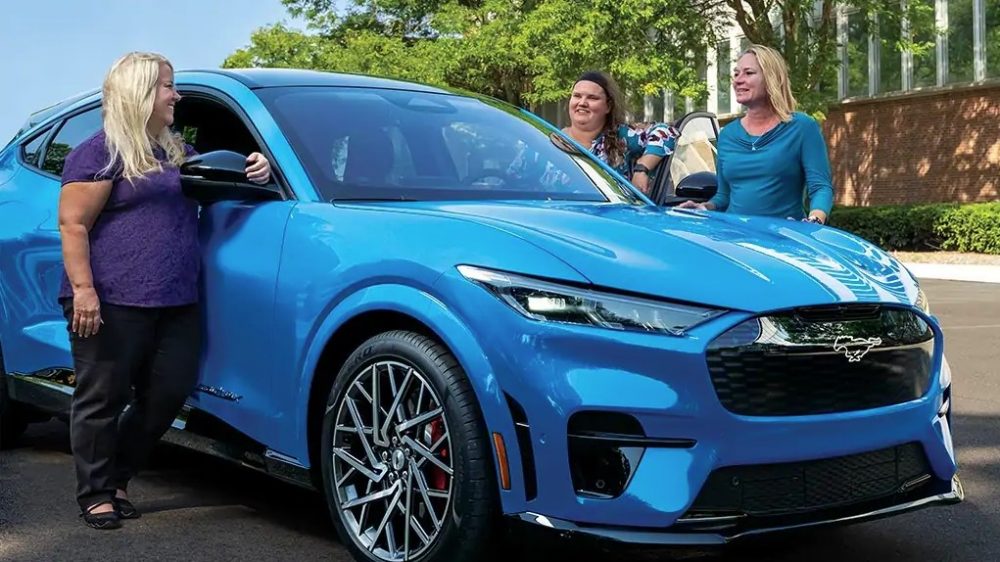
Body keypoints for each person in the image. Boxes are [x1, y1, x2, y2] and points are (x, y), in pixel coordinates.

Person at [57, 51, 271, 530]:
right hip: (109, 297)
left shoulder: (177, 152)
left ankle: (118, 478)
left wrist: (255, 168)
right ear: (140, 92)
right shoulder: (98, 151)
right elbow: (73, 225)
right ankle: (96, 493)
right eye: (167, 87)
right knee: (102, 398)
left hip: (175, 299)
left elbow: (225, 179)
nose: (176, 95)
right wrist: (84, 291)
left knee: (168, 394)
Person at [679, 45, 834, 223]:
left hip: (782, 239)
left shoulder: (802, 127)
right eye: (736, 74)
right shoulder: (728, 134)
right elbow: (723, 196)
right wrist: (704, 207)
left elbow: (821, 187)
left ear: (771, 78)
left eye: (748, 73)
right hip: (733, 239)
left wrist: (814, 220)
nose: (738, 80)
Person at [562, 71, 678, 194]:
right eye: (577, 96)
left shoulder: (621, 137)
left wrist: (642, 168)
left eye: (592, 98)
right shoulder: (550, 141)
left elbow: (667, 132)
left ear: (608, 106)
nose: (582, 103)